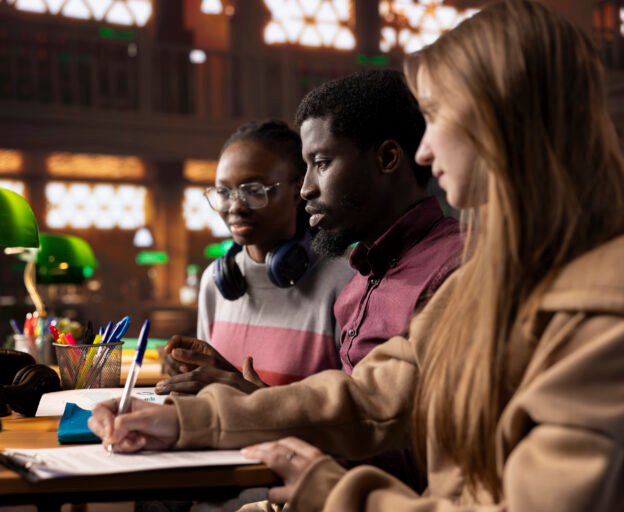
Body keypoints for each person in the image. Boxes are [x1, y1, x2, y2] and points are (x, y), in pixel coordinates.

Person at [90, 1, 624, 510]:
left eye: (436, 115)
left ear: (506, 120)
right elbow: (367, 400)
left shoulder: (604, 315)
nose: (424, 150)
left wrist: (332, 493)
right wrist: (186, 422)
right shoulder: (482, 284)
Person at [157, 70, 462, 398]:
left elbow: (380, 423)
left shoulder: (454, 268)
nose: (306, 190)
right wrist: (239, 392)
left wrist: (253, 401)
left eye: (322, 163)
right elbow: (351, 415)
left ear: (387, 158)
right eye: (223, 191)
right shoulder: (362, 280)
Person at [159, 120, 354, 395]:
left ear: (297, 187)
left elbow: (355, 415)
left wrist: (248, 393)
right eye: (224, 192)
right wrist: (185, 369)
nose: (235, 206)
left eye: (253, 191)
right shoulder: (214, 284)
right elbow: (208, 396)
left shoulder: (345, 280)